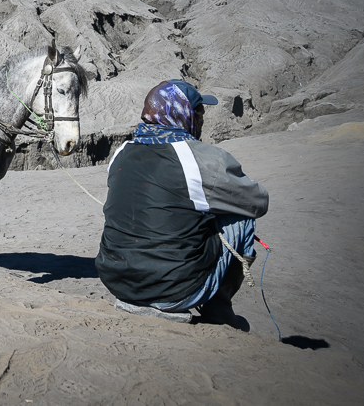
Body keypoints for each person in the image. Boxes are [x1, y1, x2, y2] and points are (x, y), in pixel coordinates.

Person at [96, 80, 269, 329]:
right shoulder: (199, 158)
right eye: (199, 112)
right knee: (241, 218)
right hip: (175, 291)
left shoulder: (122, 151)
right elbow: (257, 201)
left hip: (117, 281)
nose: (202, 120)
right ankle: (219, 310)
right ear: (184, 114)